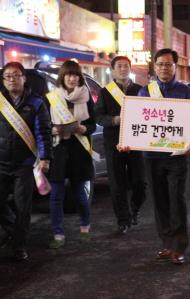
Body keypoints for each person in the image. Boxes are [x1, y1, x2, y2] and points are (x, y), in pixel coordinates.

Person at [137, 48, 190, 265]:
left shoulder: (186, 92)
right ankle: (166, 243)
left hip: (176, 156)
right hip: (152, 156)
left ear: (175, 67)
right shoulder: (145, 92)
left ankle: (179, 246)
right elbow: (136, 122)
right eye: (160, 64)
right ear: (154, 67)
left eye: (168, 64)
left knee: (176, 199)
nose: (164, 68)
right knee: (159, 201)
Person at [0, 61, 52, 260]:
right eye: (8, 76)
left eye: (16, 75)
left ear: (24, 78)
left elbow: (43, 132)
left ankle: (19, 247)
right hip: (1, 162)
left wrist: (45, 158)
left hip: (25, 164)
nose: (12, 79)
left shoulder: (36, 102)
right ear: (4, 81)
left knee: (23, 207)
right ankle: (15, 232)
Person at [46, 60, 96, 249]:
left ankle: (85, 226)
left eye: (75, 75)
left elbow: (93, 123)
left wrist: (85, 128)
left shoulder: (86, 96)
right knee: (56, 195)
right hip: (58, 151)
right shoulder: (52, 98)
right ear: (62, 77)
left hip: (79, 151)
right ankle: (58, 234)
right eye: (69, 74)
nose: (72, 78)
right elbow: (45, 124)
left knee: (80, 195)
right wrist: (53, 130)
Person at [95, 56, 147, 234]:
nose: (123, 69)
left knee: (140, 181)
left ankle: (135, 208)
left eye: (126, 66)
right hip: (114, 143)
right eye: (119, 66)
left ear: (130, 69)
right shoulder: (105, 92)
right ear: (113, 69)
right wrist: (115, 120)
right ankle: (123, 220)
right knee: (117, 184)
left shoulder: (140, 90)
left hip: (136, 143)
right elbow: (99, 117)